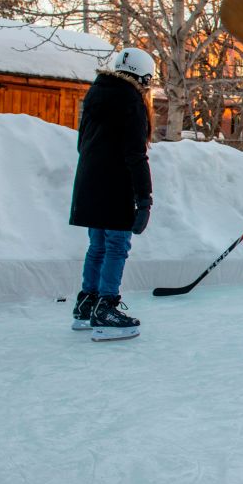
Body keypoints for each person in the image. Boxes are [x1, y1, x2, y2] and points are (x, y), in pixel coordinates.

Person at [69, 47, 155, 342]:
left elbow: (82, 142)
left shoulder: (96, 93)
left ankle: (87, 302)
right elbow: (135, 154)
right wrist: (144, 199)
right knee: (117, 246)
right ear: (142, 77)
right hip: (116, 184)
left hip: (90, 181)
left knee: (97, 246)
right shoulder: (131, 100)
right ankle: (106, 306)